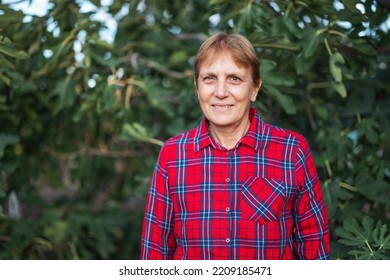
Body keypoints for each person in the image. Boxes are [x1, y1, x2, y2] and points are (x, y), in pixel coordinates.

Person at [140, 33, 330, 260]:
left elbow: (314, 248)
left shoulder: (291, 151)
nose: (220, 92)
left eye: (235, 79)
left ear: (255, 88)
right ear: (196, 86)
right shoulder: (173, 155)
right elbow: (154, 253)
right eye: (209, 78)